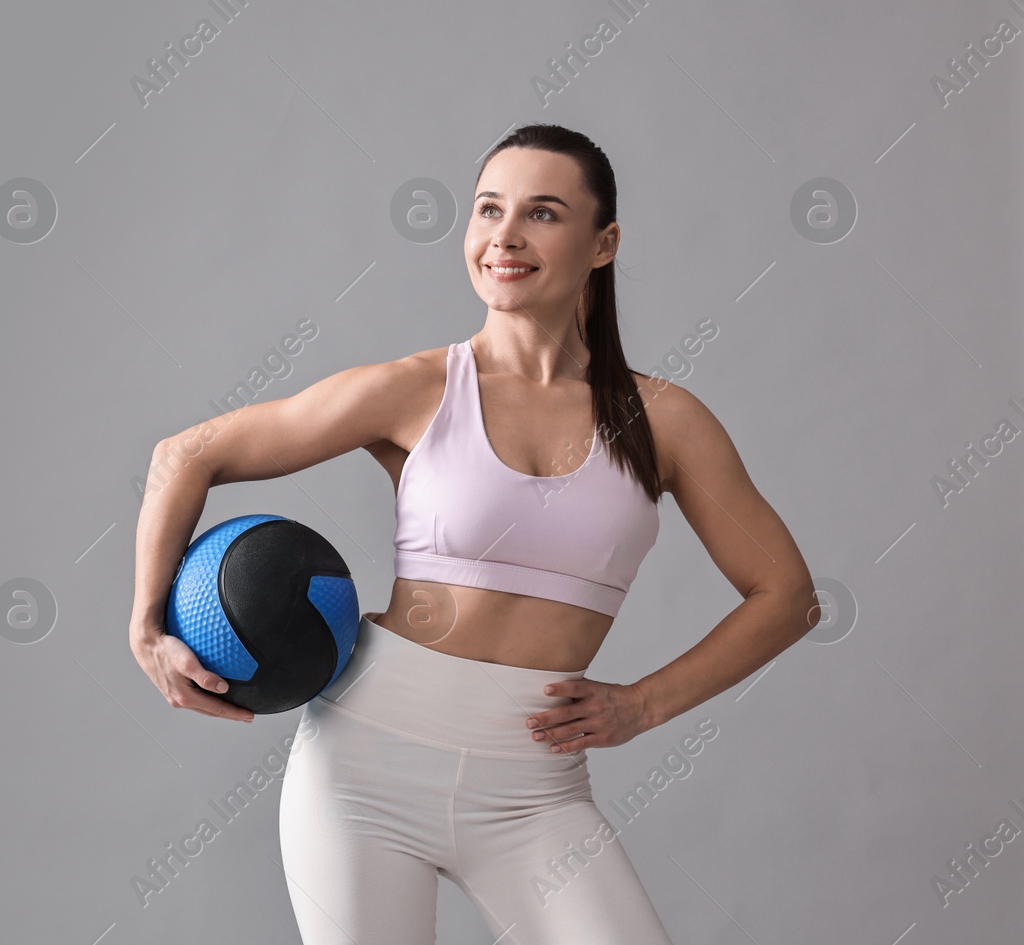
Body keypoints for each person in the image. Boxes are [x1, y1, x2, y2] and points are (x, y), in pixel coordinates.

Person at [129, 123, 818, 944]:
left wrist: (643, 705)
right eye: (489, 209)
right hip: (365, 768)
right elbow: (186, 455)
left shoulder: (665, 421)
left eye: (543, 213)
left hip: (536, 790)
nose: (505, 236)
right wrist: (146, 626)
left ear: (605, 244)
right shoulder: (417, 388)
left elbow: (788, 596)